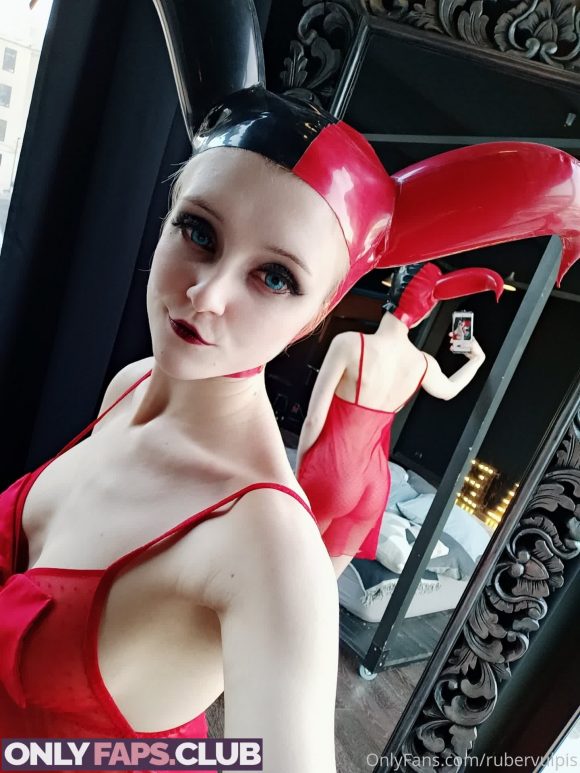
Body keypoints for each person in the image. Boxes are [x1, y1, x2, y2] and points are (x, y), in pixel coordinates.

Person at [1, 2, 580, 771]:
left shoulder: (268, 550)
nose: (207, 295)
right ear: (166, 217)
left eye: (275, 277)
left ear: (319, 313)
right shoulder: (130, 386)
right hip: (359, 478)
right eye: (198, 231)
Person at [295, 262, 502, 577]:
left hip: (332, 473)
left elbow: (313, 420)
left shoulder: (350, 344)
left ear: (391, 294)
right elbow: (449, 391)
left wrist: (300, 475)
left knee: (290, 565)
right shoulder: (423, 364)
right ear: (425, 312)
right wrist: (477, 358)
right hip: (374, 485)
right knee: (324, 580)